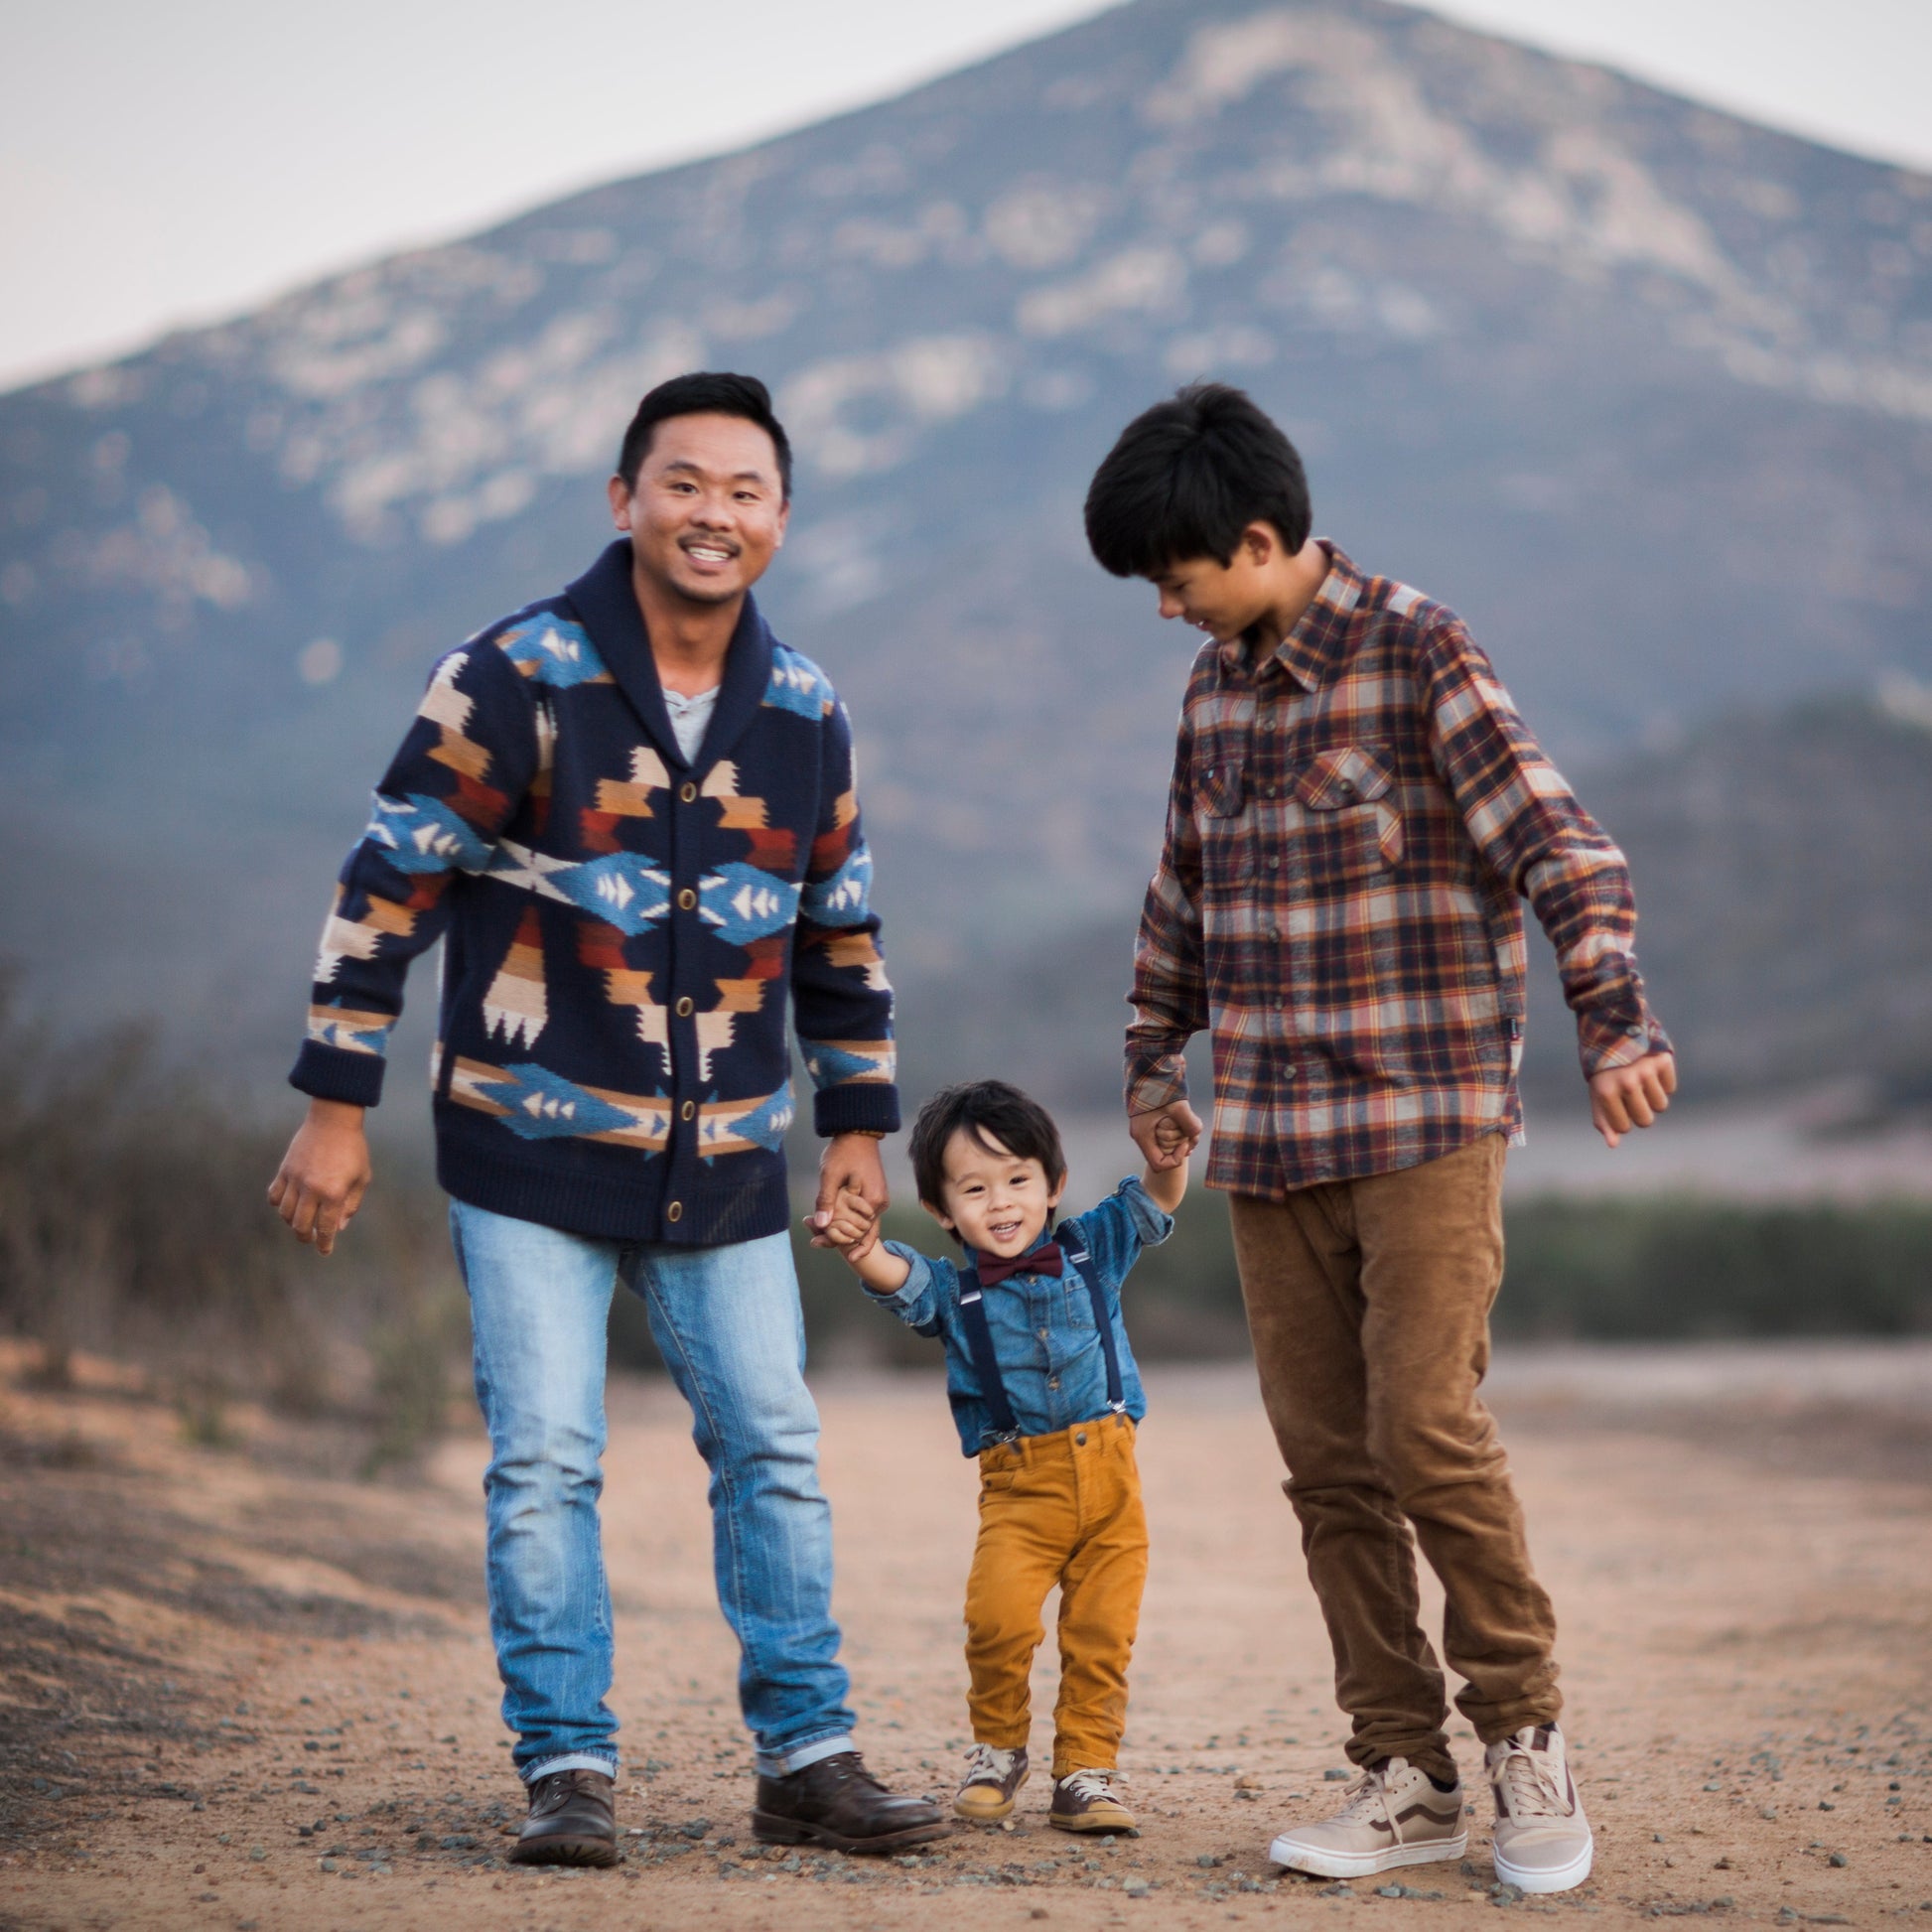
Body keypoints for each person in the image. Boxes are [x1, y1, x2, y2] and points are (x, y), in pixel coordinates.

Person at [267, 371, 945, 1864]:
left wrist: (856, 1121)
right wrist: (334, 1100)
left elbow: (839, 927)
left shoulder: (802, 708)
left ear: (781, 517)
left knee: (769, 1439)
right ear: (624, 498)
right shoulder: (516, 673)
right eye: (683, 483)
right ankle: (567, 1768)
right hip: (527, 1145)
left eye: (744, 490)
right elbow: (389, 878)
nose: (714, 514)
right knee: (545, 1456)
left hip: (725, 1158)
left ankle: (805, 1758)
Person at [1083, 383, 1677, 1896]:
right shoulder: (1213, 693)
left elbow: (1561, 846)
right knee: (1328, 1464)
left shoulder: (1418, 648)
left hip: (1424, 1123)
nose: (1166, 608)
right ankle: (1400, 1771)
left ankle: (1522, 1739)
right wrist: (1153, 1051)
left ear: (1263, 538)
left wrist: (1613, 1019)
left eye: (1178, 576)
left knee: (1425, 1432)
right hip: (1270, 1145)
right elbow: (1181, 894)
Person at [817, 1080, 1186, 1835]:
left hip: (1114, 1484)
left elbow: (1156, 1201)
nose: (1002, 1202)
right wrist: (860, 1250)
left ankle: (1085, 1772)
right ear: (943, 1211)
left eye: (1018, 1179)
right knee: (996, 1620)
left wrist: (1168, 1158)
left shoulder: (1092, 1249)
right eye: (975, 1189)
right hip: (1020, 1492)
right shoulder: (958, 1296)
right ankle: (998, 1748)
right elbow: (901, 1278)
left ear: (1053, 1185)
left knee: (1101, 1636)